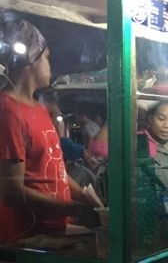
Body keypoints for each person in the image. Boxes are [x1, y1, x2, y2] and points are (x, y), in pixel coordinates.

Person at [0, 18, 98, 243]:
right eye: (47, 57)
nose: (50, 65)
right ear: (30, 58)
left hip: (54, 232)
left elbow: (56, 171)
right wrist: (70, 209)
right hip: (24, 239)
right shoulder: (7, 111)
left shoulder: (40, 110)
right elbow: (12, 192)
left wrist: (82, 196)